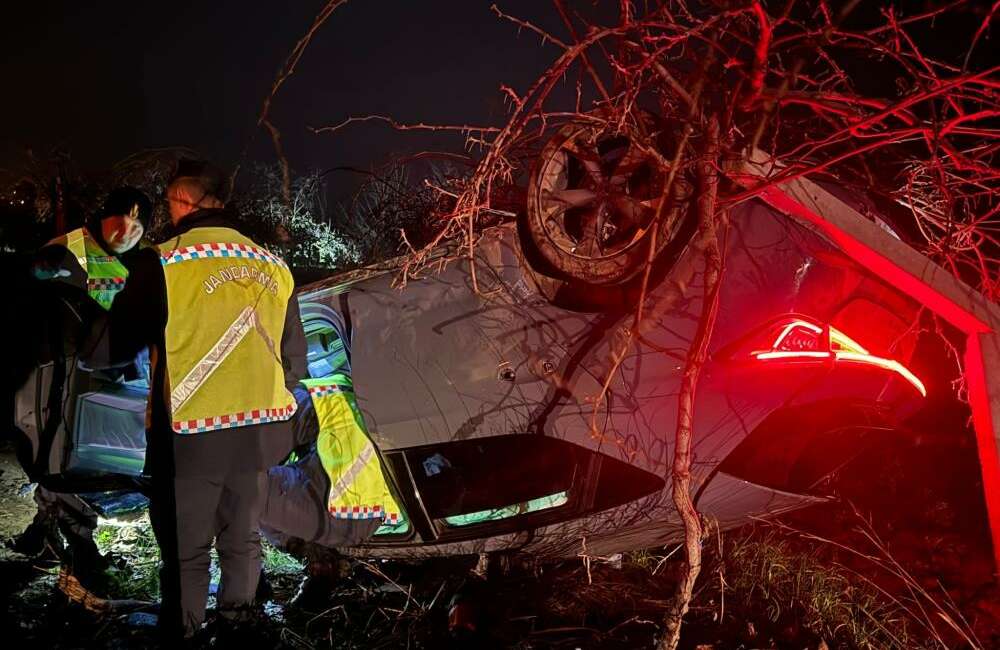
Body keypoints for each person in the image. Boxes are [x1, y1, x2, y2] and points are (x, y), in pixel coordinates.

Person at [82, 159, 307, 641]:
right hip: (256, 435)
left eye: (166, 203)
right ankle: (238, 627)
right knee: (243, 540)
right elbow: (295, 364)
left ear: (183, 200)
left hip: (190, 438)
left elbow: (107, 348)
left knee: (186, 551)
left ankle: (184, 633)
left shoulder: (163, 262)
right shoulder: (274, 265)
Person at [8, 186, 151, 589]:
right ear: (102, 215)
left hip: (99, 378)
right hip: (55, 376)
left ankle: (48, 532)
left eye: (137, 224)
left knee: (68, 459)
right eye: (119, 219)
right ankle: (75, 547)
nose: (126, 230)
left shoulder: (138, 264)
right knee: (58, 455)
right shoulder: (70, 249)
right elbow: (29, 286)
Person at [260, 370, 404, 608]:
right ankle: (314, 567)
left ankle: (251, 598)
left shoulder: (293, 406)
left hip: (344, 513)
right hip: (357, 510)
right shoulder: (327, 395)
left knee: (238, 491)